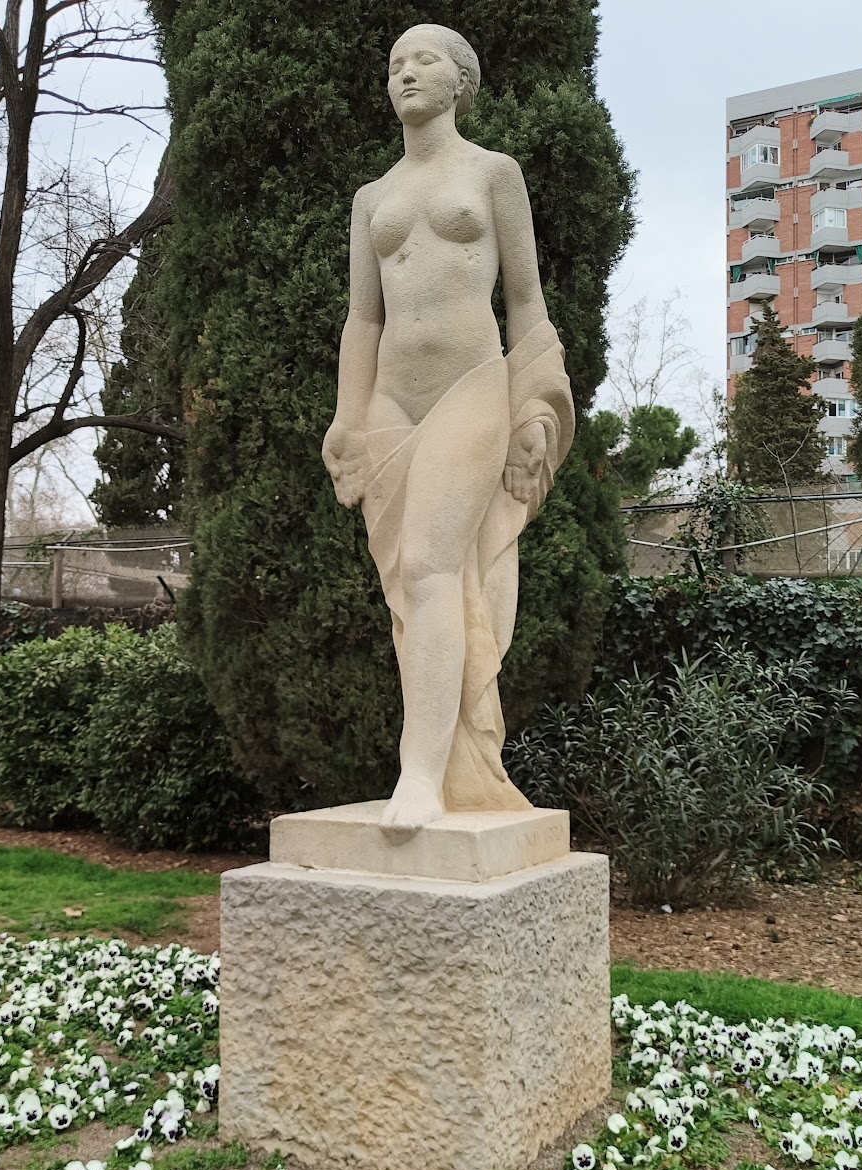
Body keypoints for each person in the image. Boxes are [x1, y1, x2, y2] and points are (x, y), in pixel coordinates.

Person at [322, 22, 575, 836]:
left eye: (423, 59)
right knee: (408, 588)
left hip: (473, 385)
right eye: (394, 61)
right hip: (391, 401)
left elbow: (526, 301)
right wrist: (347, 418)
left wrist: (535, 407)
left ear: (460, 80)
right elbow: (363, 319)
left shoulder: (494, 175)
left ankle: (422, 774)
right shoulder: (372, 199)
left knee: (430, 564)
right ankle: (440, 759)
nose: (405, 73)